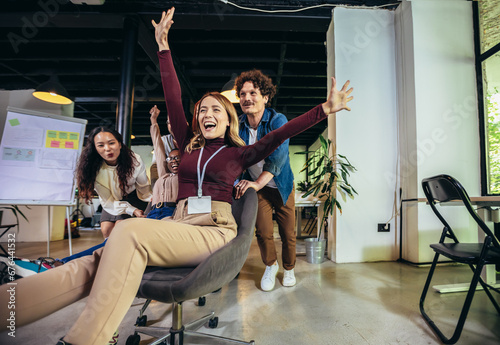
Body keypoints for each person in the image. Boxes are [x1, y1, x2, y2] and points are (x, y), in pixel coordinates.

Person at [0, 8, 353, 345]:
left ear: (229, 120)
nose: (207, 113)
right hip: (178, 224)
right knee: (95, 260)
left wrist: (323, 109)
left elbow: (278, 135)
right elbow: (173, 98)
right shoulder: (187, 146)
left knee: (128, 230)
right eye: (202, 110)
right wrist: (163, 48)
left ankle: (84, 339)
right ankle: (7, 308)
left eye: (217, 109)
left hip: (214, 230)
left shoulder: (240, 153)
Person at [234, 69, 297, 292]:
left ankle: (289, 269)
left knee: (288, 232)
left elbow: (278, 158)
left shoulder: (277, 120)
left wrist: (258, 183)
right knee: (263, 231)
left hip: (280, 186)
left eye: (253, 92)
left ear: (266, 97)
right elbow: (231, 157)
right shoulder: (237, 125)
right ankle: (271, 265)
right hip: (256, 187)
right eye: (242, 94)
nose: (246, 98)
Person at [75, 127, 152, 239]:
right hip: (111, 200)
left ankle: (121, 254)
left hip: (135, 196)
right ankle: (109, 253)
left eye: (111, 143)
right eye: (101, 145)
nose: (107, 149)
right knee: (106, 229)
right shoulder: (93, 170)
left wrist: (152, 200)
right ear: (95, 148)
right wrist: (131, 210)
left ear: (120, 144)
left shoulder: (135, 160)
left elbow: (143, 188)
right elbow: (108, 200)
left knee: (120, 227)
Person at [147, 104, 180, 220]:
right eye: (169, 122)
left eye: (177, 158)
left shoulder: (185, 176)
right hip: (154, 210)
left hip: (171, 211)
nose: (173, 161)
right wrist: (154, 120)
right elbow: (158, 147)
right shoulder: (163, 174)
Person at [149, 114, 176, 187]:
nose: (172, 125)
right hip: (168, 185)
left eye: (175, 121)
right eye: (169, 122)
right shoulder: (164, 141)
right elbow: (155, 167)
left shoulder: (194, 142)